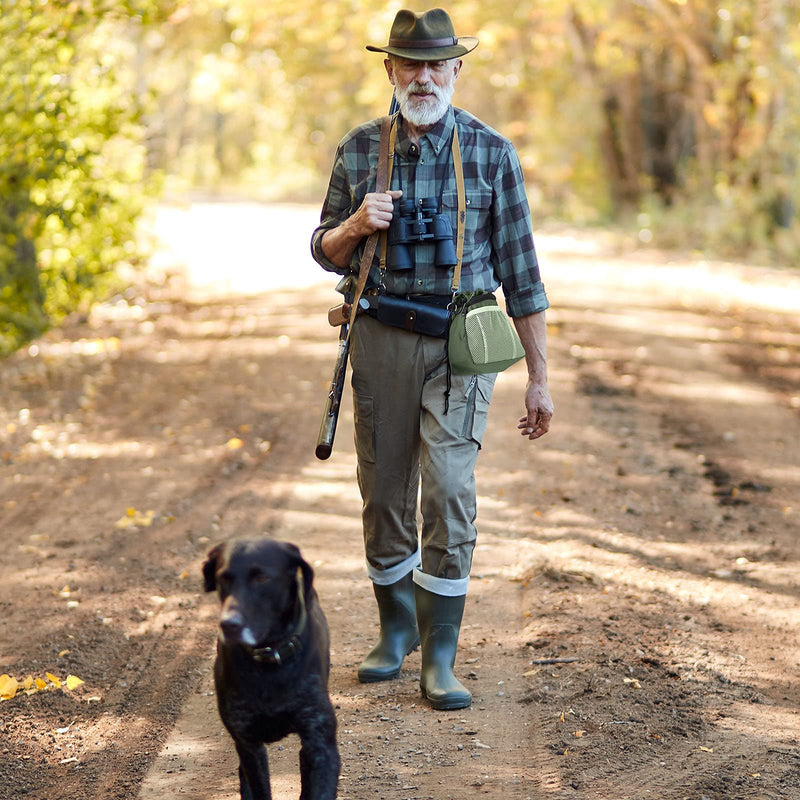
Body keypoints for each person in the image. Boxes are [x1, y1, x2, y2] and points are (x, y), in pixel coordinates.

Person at [310, 8, 553, 711]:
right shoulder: (360, 150)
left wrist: (539, 378)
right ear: (389, 70)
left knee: (448, 490)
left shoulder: (490, 152)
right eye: (408, 64)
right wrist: (358, 223)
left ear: (455, 70)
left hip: (460, 344)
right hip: (380, 335)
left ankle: (439, 656)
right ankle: (396, 634)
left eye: (434, 65)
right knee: (384, 495)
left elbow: (523, 275)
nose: (422, 77)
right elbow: (322, 248)